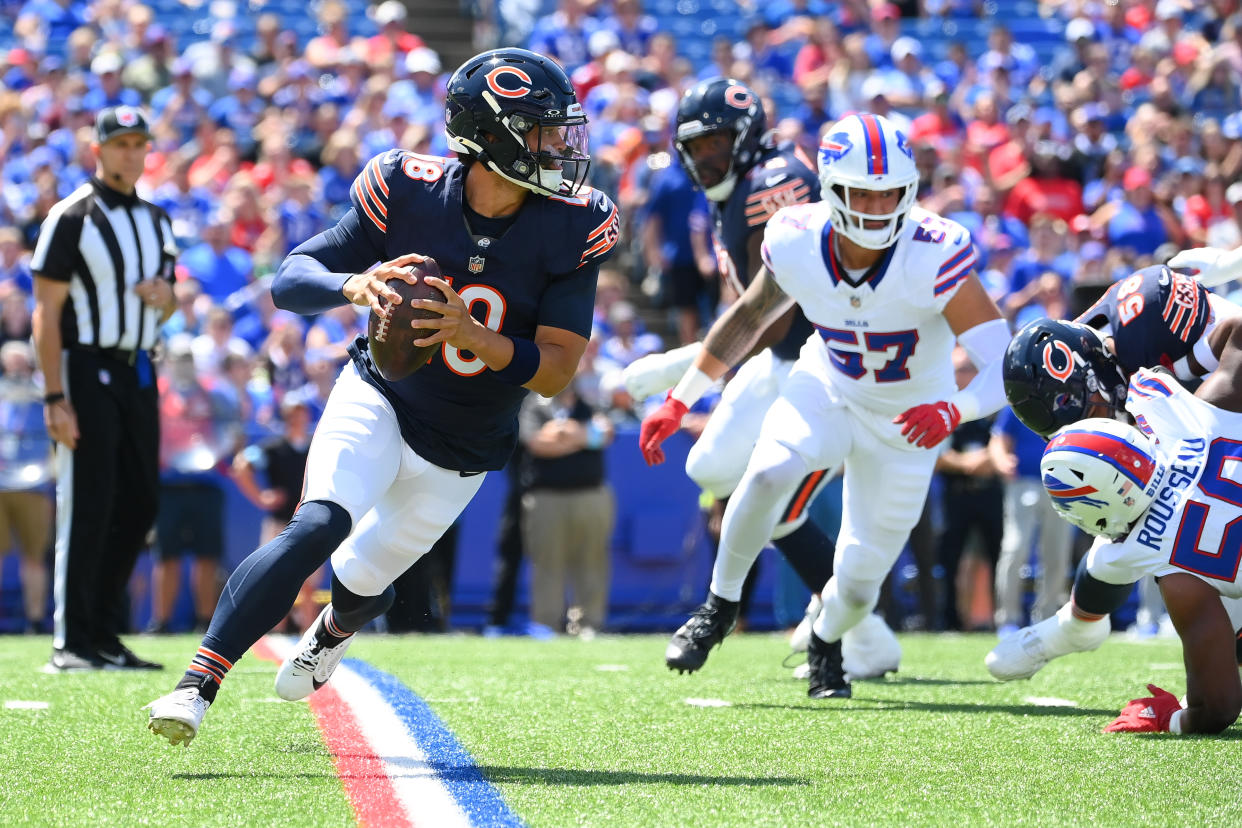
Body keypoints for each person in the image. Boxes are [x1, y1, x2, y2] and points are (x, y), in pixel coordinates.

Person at [145, 47, 619, 746]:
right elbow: (290, 276)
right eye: (541, 132)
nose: (559, 147)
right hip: (382, 394)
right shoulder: (408, 187)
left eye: (559, 131)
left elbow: (554, 372)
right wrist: (354, 284)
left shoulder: (574, 222)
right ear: (490, 138)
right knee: (319, 526)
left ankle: (334, 629)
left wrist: (471, 333)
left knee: (364, 579)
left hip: (466, 445)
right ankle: (197, 685)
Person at [641, 112, 1010, 698]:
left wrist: (955, 410)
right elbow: (749, 317)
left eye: (889, 192)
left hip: (909, 424)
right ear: (831, 190)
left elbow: (1003, 359)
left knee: (860, 584)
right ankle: (717, 609)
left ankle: (826, 638)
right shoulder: (795, 236)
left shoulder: (933, 250)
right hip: (830, 385)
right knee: (763, 474)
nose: (875, 205)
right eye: (861, 191)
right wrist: (679, 397)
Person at [624, 79, 901, 679]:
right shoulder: (742, 185)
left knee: (769, 504)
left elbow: (767, 316)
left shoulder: (773, 185)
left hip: (826, 367)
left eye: (717, 143)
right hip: (780, 360)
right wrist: (685, 383)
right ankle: (862, 630)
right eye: (695, 148)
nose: (705, 159)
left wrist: (682, 373)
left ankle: (861, 634)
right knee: (712, 471)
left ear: (745, 138)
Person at [988, 358, 1242, 735]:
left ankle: (1074, 627)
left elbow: (1218, 709)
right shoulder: (1181, 413)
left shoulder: (1155, 557)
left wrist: (1170, 720)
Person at [31, 106, 176, 671]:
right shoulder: (73, 216)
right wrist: (53, 395)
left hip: (139, 367)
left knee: (140, 503)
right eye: (120, 144)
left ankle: (106, 633)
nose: (130, 154)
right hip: (85, 367)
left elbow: (169, 302)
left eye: (139, 144)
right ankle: (73, 640)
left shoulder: (158, 220)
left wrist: (167, 300)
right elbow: (46, 312)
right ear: (99, 150)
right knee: (88, 502)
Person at [518, 379, 616, 638]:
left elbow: (605, 435)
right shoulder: (534, 405)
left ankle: (589, 625)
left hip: (590, 495)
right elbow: (537, 442)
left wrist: (562, 434)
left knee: (592, 561)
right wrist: (583, 437)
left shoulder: (592, 405)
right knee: (547, 562)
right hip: (546, 497)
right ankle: (545, 625)